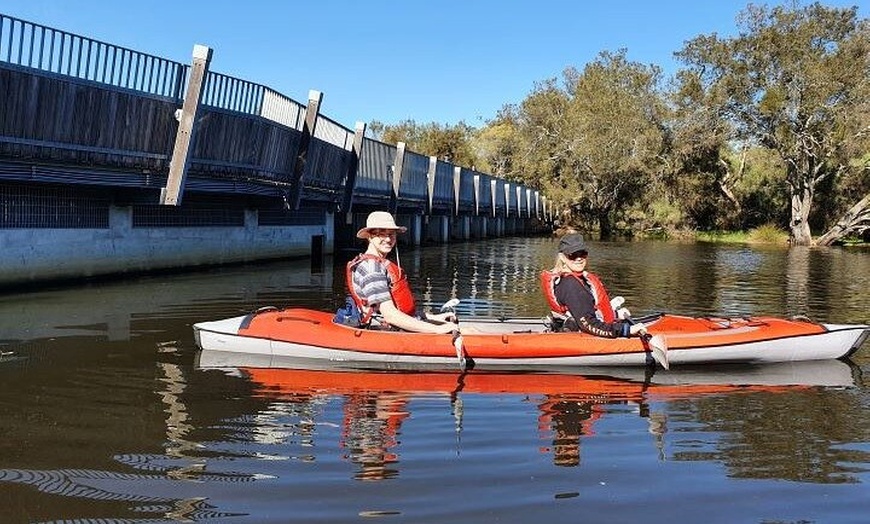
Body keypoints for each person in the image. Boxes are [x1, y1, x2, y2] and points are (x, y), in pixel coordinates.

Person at [346, 211, 458, 334]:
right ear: (370, 237)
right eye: (381, 234)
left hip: (399, 325)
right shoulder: (372, 269)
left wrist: (432, 317)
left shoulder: (378, 263)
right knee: (468, 331)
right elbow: (390, 316)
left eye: (391, 234)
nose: (388, 239)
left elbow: (400, 309)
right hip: (388, 331)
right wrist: (438, 329)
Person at [540, 233, 646, 337]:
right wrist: (625, 330)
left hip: (587, 329)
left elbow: (587, 311)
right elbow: (588, 324)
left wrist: (615, 315)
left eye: (582, 253)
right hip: (583, 338)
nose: (579, 258)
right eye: (572, 255)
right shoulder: (570, 285)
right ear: (562, 258)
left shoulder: (578, 279)